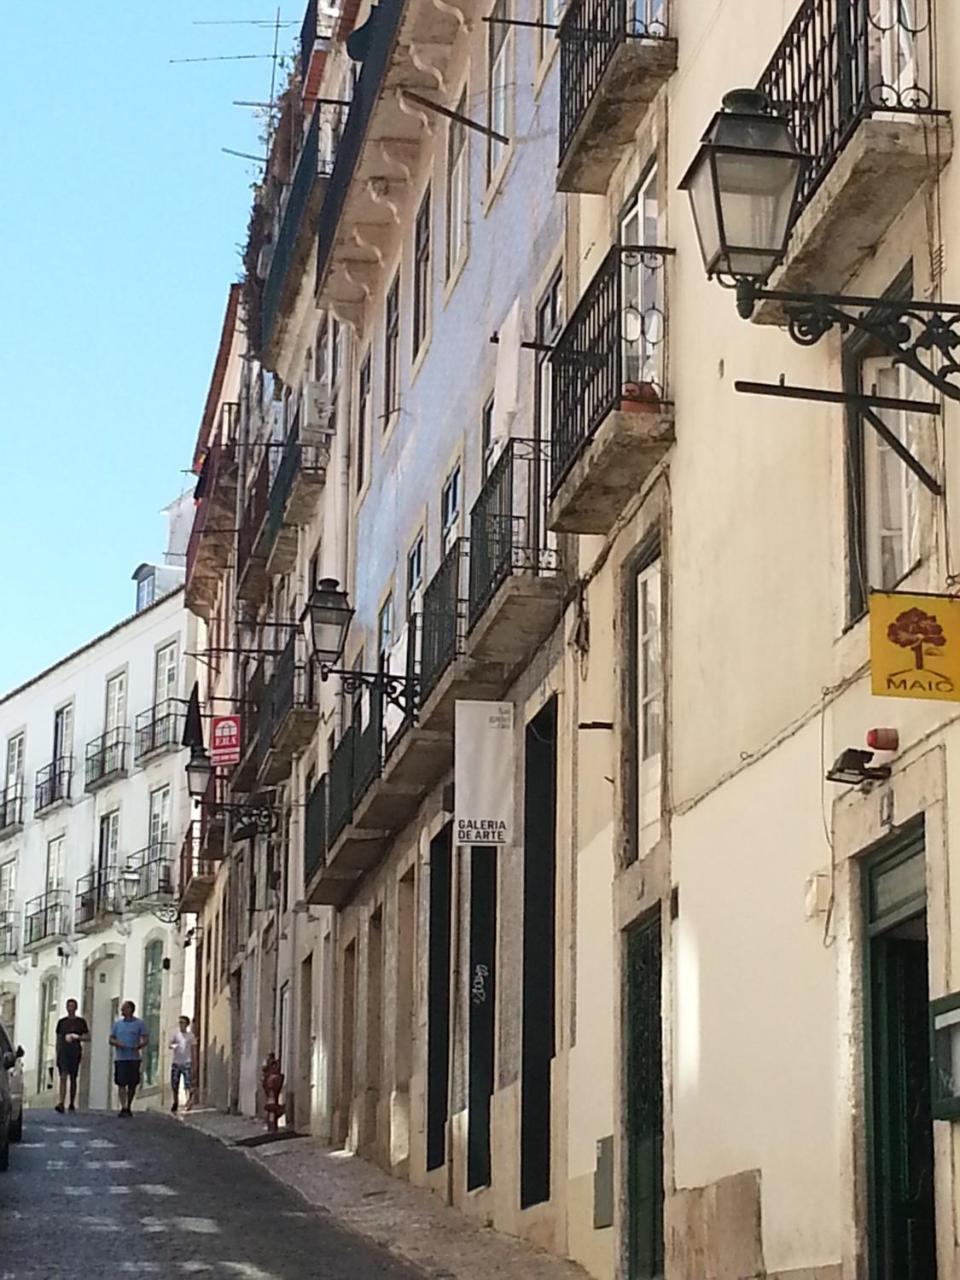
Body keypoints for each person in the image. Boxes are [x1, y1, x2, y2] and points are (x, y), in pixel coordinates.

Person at [109, 1000, 148, 1117]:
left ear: (130, 1010)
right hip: (120, 1058)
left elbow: (145, 1038)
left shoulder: (139, 1024)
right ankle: (123, 1106)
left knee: (132, 1083)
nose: (122, 1010)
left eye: (124, 1008)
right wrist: (117, 1043)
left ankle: (129, 1104)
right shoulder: (117, 1024)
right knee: (121, 1083)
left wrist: (139, 1045)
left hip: (133, 1058)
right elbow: (111, 1039)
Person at [54, 998, 89, 1114]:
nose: (70, 1008)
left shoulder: (80, 1022)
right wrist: (57, 1052)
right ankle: (61, 1102)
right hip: (63, 1052)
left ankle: (72, 1102)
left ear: (76, 1008)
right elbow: (58, 1038)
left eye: (72, 1006)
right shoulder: (62, 1022)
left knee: (73, 1078)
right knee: (63, 1076)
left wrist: (77, 1037)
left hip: (75, 1052)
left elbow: (87, 1037)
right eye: (69, 1006)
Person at [169, 1015, 196, 1113]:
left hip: (187, 1062)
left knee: (187, 1083)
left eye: (182, 1022)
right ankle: (175, 1101)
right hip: (176, 1062)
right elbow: (170, 1045)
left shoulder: (190, 1036)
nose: (181, 1025)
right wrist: (173, 1046)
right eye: (180, 1022)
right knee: (174, 1083)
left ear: (187, 1024)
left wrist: (194, 1062)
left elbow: (193, 1049)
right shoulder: (176, 1035)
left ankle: (188, 1101)